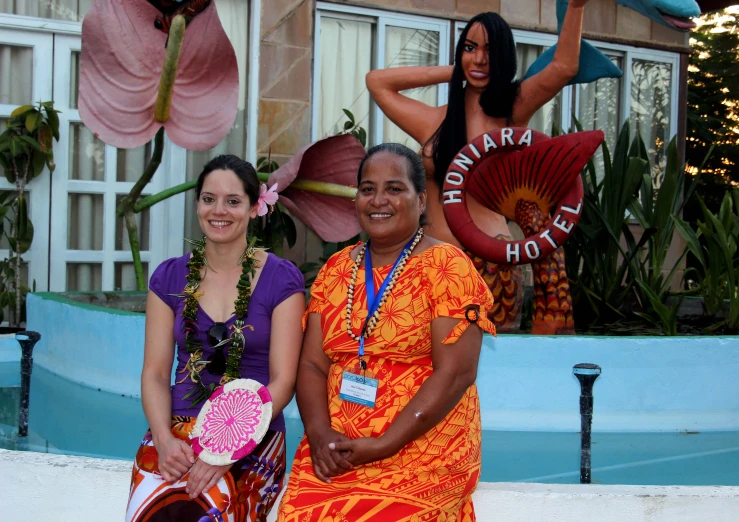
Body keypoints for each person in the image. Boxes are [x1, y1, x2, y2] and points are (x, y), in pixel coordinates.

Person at [277, 143, 496, 521]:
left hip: (423, 448)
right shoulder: (336, 269)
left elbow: (456, 372)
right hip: (338, 448)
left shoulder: (447, 266)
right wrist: (319, 434)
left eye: (395, 189)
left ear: (421, 200)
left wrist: (383, 444)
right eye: (367, 188)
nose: (378, 199)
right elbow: (312, 363)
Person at [366, 5, 589, 330]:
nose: (480, 59)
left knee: (486, 374)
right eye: (471, 48)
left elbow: (565, 66)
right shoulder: (434, 121)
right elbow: (377, 82)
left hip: (488, 268)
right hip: (423, 264)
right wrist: (457, 70)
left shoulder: (513, 110)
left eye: (491, 51)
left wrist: (577, 6)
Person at [126, 155, 305, 522]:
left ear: (255, 207)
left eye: (233, 201)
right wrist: (163, 440)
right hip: (176, 429)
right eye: (208, 199)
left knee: (203, 513)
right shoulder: (169, 278)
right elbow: (156, 373)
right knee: (156, 512)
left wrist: (227, 449)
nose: (218, 210)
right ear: (197, 205)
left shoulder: (281, 280)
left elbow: (283, 381)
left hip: (254, 435)